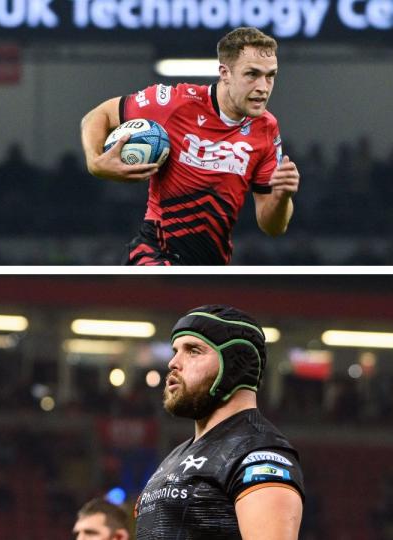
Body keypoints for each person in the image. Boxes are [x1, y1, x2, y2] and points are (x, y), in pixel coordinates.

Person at [80, 27, 300, 265]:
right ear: (225, 73)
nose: (263, 87)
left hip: (212, 263)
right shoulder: (174, 103)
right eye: (252, 74)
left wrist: (282, 197)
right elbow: (97, 115)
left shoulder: (267, 128)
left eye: (270, 75)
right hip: (157, 252)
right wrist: (95, 162)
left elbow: (272, 227)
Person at [134, 305, 304, 539]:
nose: (173, 362)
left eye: (193, 351)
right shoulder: (176, 457)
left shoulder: (259, 454)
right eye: (175, 351)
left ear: (235, 365)